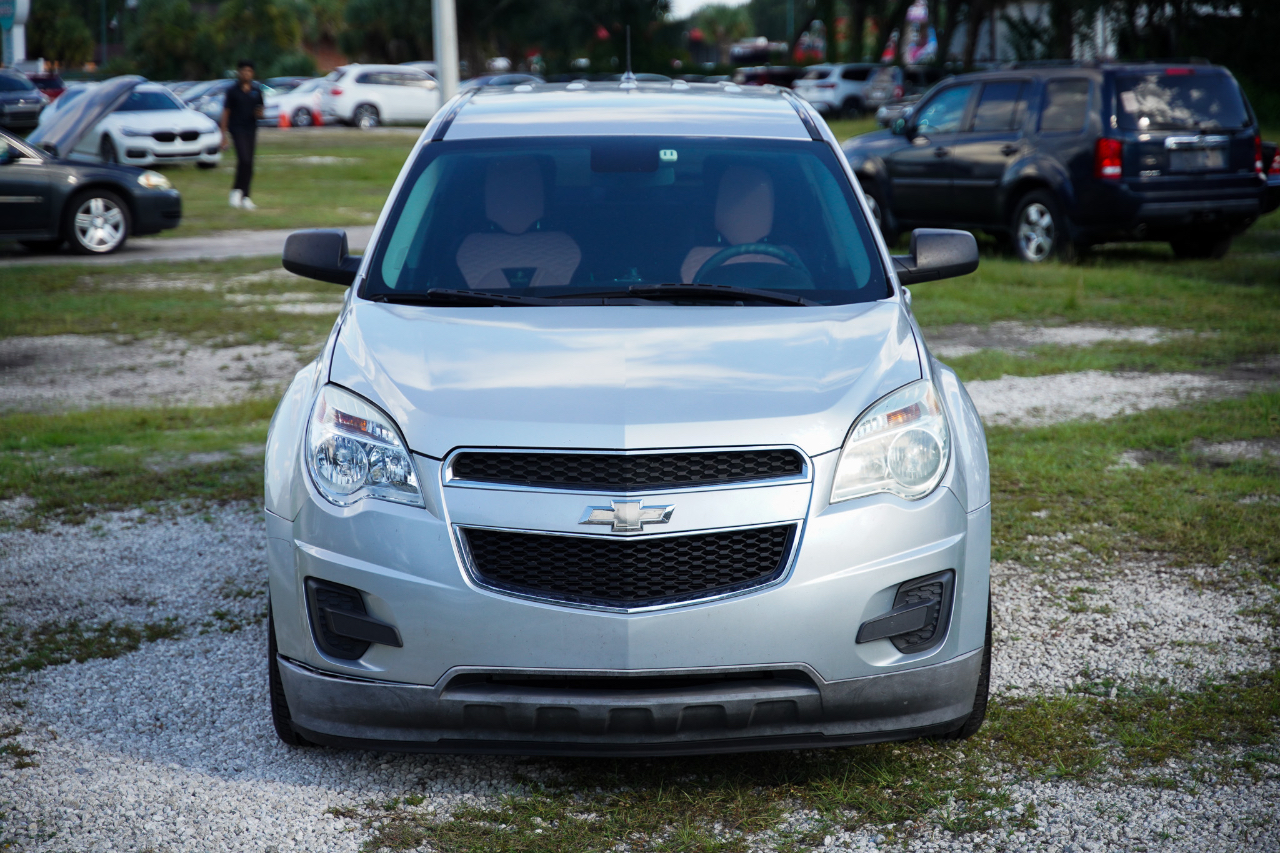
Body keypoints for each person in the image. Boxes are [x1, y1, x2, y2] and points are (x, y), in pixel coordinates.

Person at [220, 60, 264, 210]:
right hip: (236, 128)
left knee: (249, 163)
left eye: (249, 71)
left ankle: (246, 196)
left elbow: (261, 111)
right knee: (243, 159)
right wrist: (223, 135)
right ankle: (236, 191)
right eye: (244, 71)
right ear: (239, 72)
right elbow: (226, 113)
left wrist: (260, 114)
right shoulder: (232, 91)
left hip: (251, 129)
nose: (246, 74)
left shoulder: (256, 90)